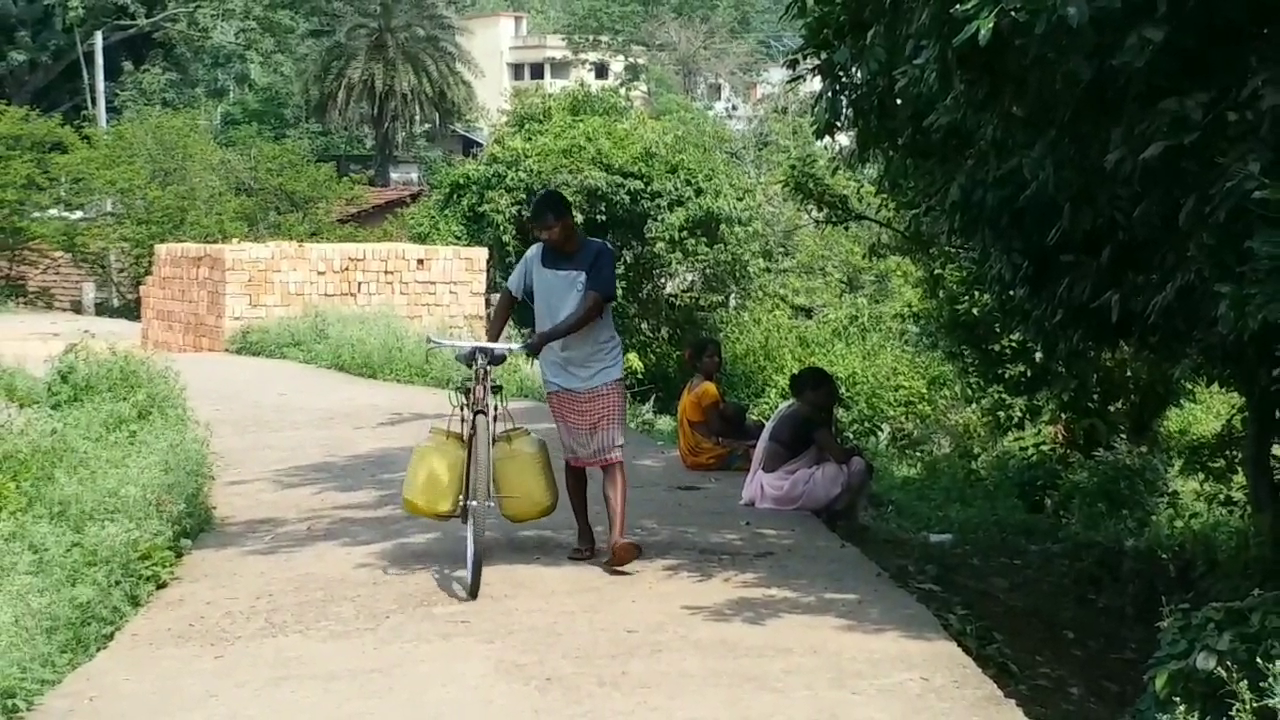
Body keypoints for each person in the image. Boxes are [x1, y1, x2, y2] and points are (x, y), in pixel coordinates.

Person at [485, 188, 642, 568]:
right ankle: (584, 532)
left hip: (603, 367)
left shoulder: (599, 253)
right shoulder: (534, 257)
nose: (544, 237)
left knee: (610, 454)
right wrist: (490, 343)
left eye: (550, 229)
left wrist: (545, 337)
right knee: (575, 458)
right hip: (559, 373)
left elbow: (591, 308)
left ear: (569, 220)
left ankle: (617, 539)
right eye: (539, 230)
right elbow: (509, 294)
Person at [740, 366, 872, 520]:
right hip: (783, 490)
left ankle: (831, 513)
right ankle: (837, 515)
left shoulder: (790, 408)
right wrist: (855, 449)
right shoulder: (809, 415)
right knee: (854, 466)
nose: (833, 399)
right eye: (828, 393)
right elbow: (839, 455)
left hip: (766, 488)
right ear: (812, 392)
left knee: (836, 468)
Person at [677, 337, 759, 471]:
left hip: (692, 455)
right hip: (706, 454)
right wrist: (744, 438)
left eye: (718, 356)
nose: (716, 360)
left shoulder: (692, 385)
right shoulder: (707, 389)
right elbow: (717, 428)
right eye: (709, 357)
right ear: (697, 362)